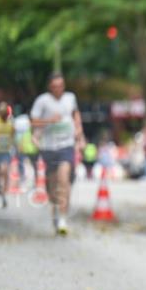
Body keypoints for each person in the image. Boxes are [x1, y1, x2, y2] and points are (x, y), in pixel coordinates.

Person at [30, 73, 85, 235]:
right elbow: (33, 121)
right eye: (54, 87)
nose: (58, 89)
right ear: (50, 87)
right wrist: (49, 121)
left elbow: (75, 114)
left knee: (64, 180)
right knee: (52, 187)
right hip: (48, 147)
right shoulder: (42, 101)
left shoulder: (70, 98)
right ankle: (55, 207)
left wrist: (79, 131)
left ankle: (62, 218)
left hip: (66, 146)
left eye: (60, 86)